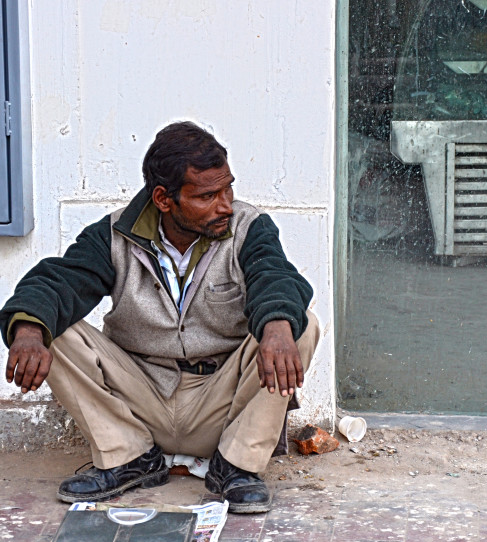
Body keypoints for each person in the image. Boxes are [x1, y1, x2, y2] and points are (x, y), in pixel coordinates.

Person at [0, 121, 320, 514]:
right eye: (207, 195)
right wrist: (29, 331)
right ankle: (129, 458)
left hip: (219, 401)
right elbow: (60, 281)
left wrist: (277, 327)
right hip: (141, 397)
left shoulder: (247, 227)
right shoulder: (115, 234)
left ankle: (236, 467)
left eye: (227, 188)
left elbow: (274, 276)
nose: (225, 204)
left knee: (297, 323)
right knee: (49, 325)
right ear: (164, 199)